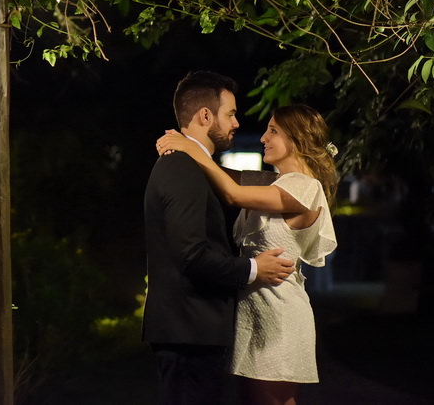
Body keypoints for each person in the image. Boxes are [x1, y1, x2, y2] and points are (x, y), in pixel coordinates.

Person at [156, 103, 339, 405]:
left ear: (297, 139)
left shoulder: (306, 187)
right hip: (257, 310)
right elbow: (226, 177)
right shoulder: (275, 183)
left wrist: (189, 147)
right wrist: (189, 154)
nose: (263, 138)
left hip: (280, 312)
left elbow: (233, 193)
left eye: (273, 131)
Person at [144, 71, 295, 405]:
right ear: (205, 115)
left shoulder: (191, 165)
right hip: (188, 330)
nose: (237, 123)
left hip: (194, 330)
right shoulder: (181, 167)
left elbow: (237, 184)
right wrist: (254, 269)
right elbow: (192, 254)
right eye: (231, 113)